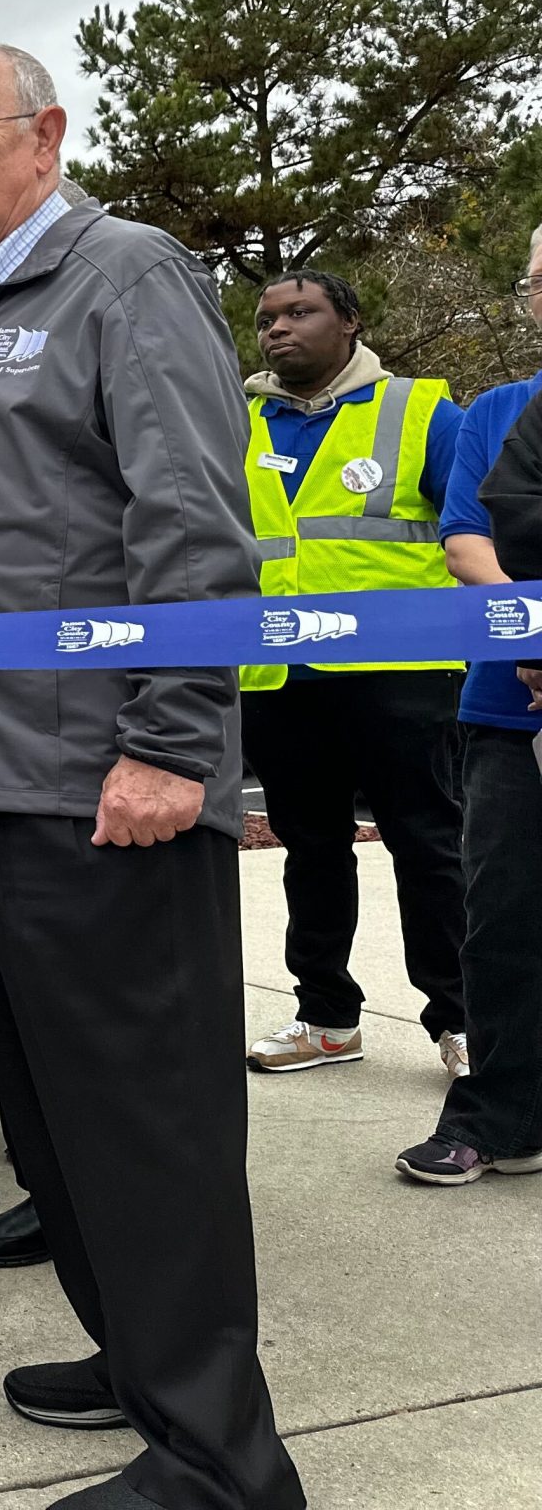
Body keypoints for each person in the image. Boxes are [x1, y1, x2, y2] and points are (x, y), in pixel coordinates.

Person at [0, 43, 301, 1509]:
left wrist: (170, 743)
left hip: (91, 787)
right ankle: (145, 1363)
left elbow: (194, 523)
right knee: (56, 1124)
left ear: (45, 133)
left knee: (145, 1125)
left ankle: (219, 1465)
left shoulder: (123, 275)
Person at [238, 269, 468, 1078]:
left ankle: (463, 1020)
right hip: (279, 673)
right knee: (310, 848)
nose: (277, 328)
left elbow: (473, 526)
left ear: (351, 322)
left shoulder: (419, 411)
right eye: (266, 318)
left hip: (401, 669)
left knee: (427, 843)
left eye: (300, 312)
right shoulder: (236, 421)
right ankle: (328, 1018)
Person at [415, 222, 542, 1184]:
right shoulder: (495, 411)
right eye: (538, 282)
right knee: (502, 923)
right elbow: (466, 542)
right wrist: (534, 637)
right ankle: (499, 1119)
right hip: (509, 709)